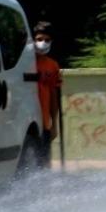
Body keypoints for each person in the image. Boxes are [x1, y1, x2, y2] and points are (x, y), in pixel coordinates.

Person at [33, 21, 62, 167]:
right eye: (39, 39)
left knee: (44, 165)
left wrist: (54, 125)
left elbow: (54, 95)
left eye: (47, 40)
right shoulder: (24, 62)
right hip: (25, 122)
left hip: (43, 123)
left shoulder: (52, 65)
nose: (42, 43)